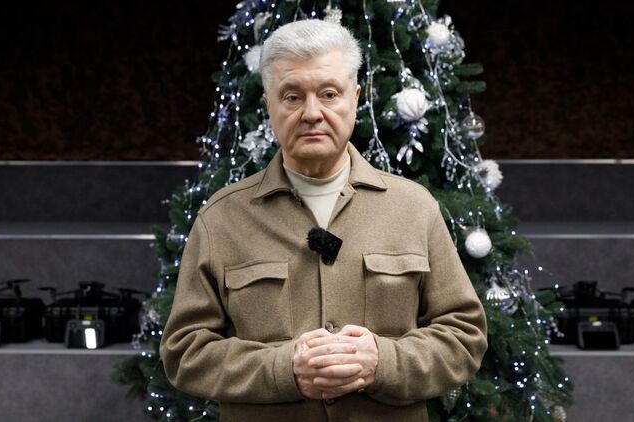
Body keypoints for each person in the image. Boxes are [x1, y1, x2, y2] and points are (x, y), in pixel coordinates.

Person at [160, 19, 487, 422]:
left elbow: (464, 337)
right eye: (292, 97)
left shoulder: (414, 208)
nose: (312, 113)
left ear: (355, 98)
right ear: (269, 105)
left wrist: (382, 361)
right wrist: (284, 369)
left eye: (329, 94)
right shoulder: (221, 219)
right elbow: (184, 352)